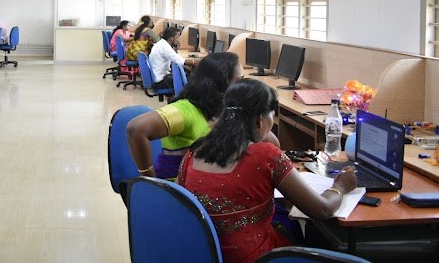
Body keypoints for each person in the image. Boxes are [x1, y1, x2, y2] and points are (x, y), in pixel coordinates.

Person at [177, 79, 357, 263]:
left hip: (202, 253)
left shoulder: (193, 153)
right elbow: (322, 210)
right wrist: (340, 186)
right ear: (260, 119)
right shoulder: (264, 156)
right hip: (255, 257)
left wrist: (255, 127)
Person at [127, 52, 242, 180]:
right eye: (239, 81)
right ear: (221, 85)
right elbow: (135, 129)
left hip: (199, 183)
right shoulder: (186, 111)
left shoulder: (219, 109)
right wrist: (149, 180)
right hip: (177, 190)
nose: (243, 86)